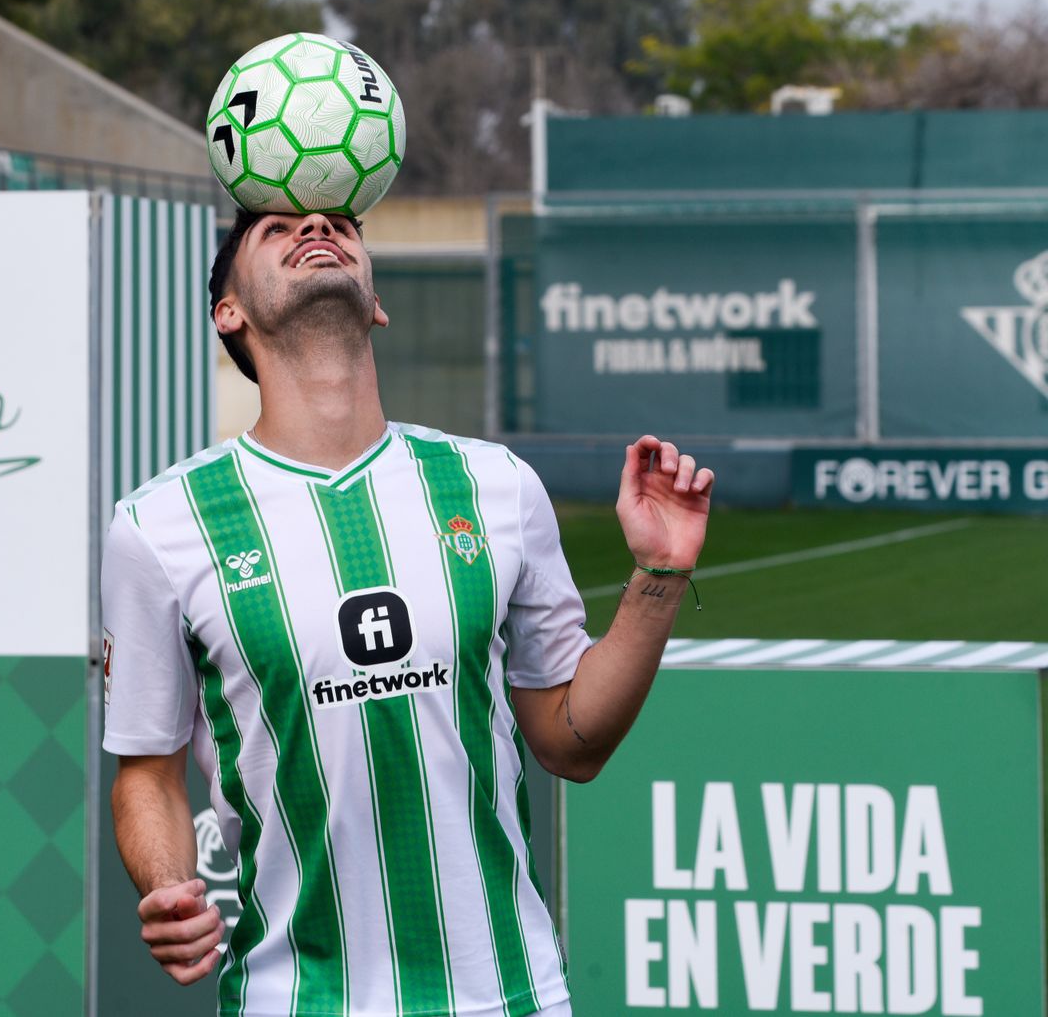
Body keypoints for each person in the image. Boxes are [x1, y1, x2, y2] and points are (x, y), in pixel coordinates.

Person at [101, 207, 714, 1017]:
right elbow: (149, 773)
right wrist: (171, 885)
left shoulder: (493, 484)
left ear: (376, 300)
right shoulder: (159, 525)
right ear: (229, 312)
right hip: (295, 1000)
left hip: (511, 994)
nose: (317, 223)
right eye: (275, 226)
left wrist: (659, 575)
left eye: (339, 220)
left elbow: (573, 742)